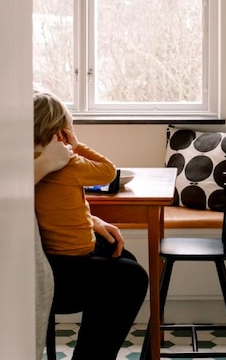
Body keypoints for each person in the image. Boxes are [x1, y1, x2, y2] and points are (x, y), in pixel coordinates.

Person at [33, 91, 149, 360]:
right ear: (61, 133)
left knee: (122, 257)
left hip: (55, 253)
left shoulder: (28, 160)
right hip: (66, 264)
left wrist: (92, 220)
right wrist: (77, 145)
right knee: (132, 277)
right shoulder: (69, 162)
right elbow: (108, 170)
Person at [34, 139, 73, 360]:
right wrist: (48, 161)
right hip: (51, 262)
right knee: (128, 277)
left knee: (125, 262)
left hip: (47, 250)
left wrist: (92, 220)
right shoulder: (43, 162)